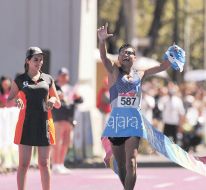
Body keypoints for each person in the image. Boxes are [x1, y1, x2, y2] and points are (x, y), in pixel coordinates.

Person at [97, 23, 184, 190]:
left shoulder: (140, 74)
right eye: (123, 53)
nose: (127, 55)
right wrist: (102, 41)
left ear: (134, 58)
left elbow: (162, 66)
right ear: (119, 57)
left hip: (133, 122)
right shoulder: (114, 72)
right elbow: (103, 58)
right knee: (121, 166)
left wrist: (172, 53)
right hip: (116, 123)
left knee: (131, 162)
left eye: (130, 53)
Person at [7, 47, 61, 190]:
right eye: (35, 59)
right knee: (24, 164)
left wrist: (53, 100)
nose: (39, 62)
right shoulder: (20, 79)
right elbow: (9, 100)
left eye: (41, 59)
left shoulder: (48, 79)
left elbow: (58, 103)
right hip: (26, 125)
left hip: (44, 125)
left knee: (44, 163)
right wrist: (15, 101)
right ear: (28, 61)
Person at [51, 67, 83, 174]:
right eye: (62, 75)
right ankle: (55, 164)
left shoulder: (71, 88)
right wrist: (58, 96)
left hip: (69, 118)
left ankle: (61, 164)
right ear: (58, 76)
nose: (64, 77)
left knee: (66, 142)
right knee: (57, 142)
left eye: (66, 75)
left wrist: (77, 97)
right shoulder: (54, 87)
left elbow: (80, 100)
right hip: (58, 117)